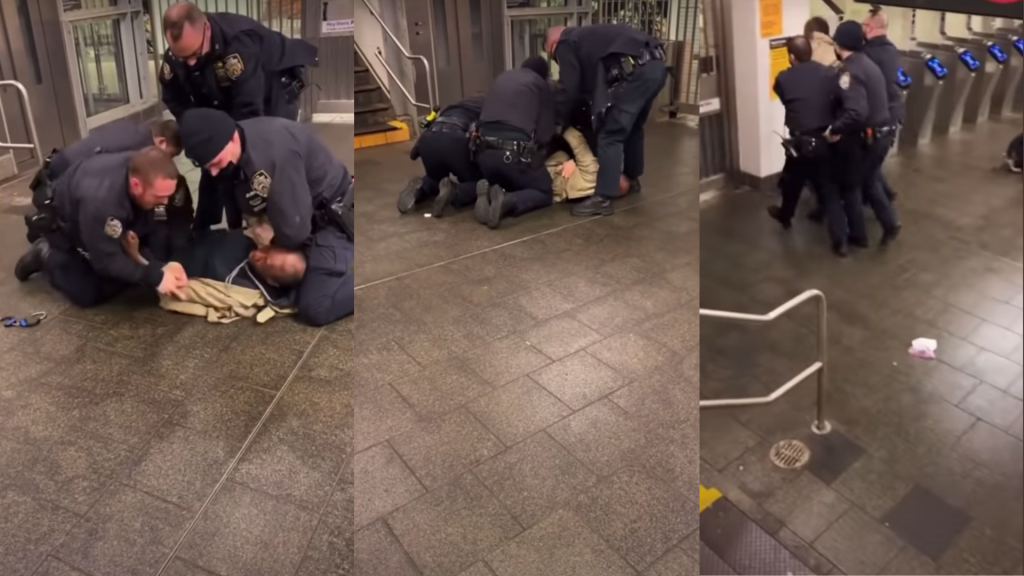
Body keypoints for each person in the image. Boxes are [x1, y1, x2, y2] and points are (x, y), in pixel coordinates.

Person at [177, 108, 355, 326]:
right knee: (260, 264)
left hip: (331, 218)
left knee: (314, 307)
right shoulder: (228, 146)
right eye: (207, 166)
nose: (213, 171)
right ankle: (317, 273)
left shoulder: (272, 154)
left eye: (215, 163)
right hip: (298, 213)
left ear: (232, 138)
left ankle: (353, 284)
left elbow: (294, 230)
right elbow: (218, 194)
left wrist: (271, 244)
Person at [159, 2, 318, 231]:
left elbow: (249, 112)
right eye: (183, 57)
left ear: (205, 28)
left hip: (271, 94)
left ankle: (277, 223)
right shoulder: (179, 53)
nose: (190, 63)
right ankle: (213, 227)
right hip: (224, 98)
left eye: (194, 54)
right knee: (215, 157)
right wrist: (196, 126)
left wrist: (223, 145)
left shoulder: (238, 44)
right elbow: (172, 95)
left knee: (256, 159)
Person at [14, 148, 189, 307]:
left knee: (144, 261)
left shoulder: (143, 168)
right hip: (69, 223)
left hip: (108, 205)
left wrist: (160, 266)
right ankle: (45, 254)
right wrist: (156, 278)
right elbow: (106, 261)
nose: (165, 202)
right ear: (136, 185)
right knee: (87, 294)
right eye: (160, 196)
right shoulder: (101, 201)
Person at [545, 23, 667, 216]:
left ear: (552, 44)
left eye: (553, 57)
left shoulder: (566, 43)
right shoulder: (587, 38)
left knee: (610, 134)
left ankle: (603, 198)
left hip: (636, 72)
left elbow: (570, 90)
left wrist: (557, 122)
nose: (557, 61)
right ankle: (632, 179)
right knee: (633, 126)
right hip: (656, 66)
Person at [768, 36, 849, 257]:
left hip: (799, 142)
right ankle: (840, 242)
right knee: (829, 190)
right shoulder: (829, 74)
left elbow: (785, 97)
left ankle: (785, 216)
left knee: (793, 181)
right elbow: (839, 98)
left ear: (791, 56)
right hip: (824, 140)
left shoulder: (784, 78)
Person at [830, 20, 901, 248]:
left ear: (839, 44)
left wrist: (834, 129)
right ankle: (890, 224)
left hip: (867, 138)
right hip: (882, 134)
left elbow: (855, 112)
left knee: (851, 185)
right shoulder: (868, 63)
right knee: (869, 182)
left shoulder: (849, 70)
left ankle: (859, 235)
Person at [473, 56, 556, 230]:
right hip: (511, 155)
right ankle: (509, 200)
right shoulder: (540, 85)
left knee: (503, 180)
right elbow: (545, 134)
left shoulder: (503, 77)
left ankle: (463, 193)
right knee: (544, 190)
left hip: (483, 154)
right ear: (544, 75)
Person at [398, 93, 484, 217]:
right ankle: (455, 192)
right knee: (478, 182)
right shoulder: (487, 107)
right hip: (454, 141)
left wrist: (417, 150)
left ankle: (421, 188)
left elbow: (413, 155)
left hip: (428, 140)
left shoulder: (454, 106)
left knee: (434, 178)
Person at [861, 8, 902, 203]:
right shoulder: (892, 49)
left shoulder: (867, 54)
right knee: (872, 162)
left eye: (863, 25)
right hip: (892, 116)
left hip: (876, 118)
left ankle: (888, 218)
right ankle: (887, 192)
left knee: (866, 172)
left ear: (871, 28)